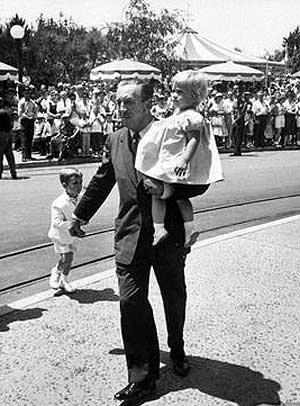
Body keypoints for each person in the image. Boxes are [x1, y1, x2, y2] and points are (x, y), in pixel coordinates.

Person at [69, 79, 203, 402]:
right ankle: (143, 377)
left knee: (174, 297)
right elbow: (102, 180)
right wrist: (79, 215)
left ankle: (177, 347)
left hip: (165, 233)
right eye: (118, 102)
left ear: (147, 105)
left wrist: (168, 190)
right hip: (129, 234)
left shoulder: (170, 134)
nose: (121, 108)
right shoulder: (115, 140)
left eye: (128, 102)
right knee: (131, 302)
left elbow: (199, 182)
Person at [135, 70, 223, 247]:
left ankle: (164, 229)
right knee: (176, 198)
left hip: (173, 164)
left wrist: (184, 159)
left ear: (195, 95)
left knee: (158, 193)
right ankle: (180, 230)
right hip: (169, 163)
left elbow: (194, 140)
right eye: (173, 91)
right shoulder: (177, 115)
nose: (174, 95)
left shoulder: (192, 116)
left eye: (180, 92)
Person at [48, 168, 83, 293]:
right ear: (64, 185)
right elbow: (57, 223)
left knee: (69, 259)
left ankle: (64, 280)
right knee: (66, 258)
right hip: (60, 236)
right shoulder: (58, 203)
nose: (79, 186)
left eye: (80, 182)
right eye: (75, 183)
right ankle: (56, 272)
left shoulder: (81, 199)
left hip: (73, 236)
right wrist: (74, 224)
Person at [0, 97, 17, 179]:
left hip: (1, 135)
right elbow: (11, 125)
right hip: (7, 135)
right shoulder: (6, 113)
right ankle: (13, 173)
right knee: (10, 156)